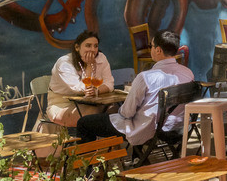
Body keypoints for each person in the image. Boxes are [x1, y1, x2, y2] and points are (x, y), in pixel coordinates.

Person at [76, 30, 193, 161]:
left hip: (149, 130)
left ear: (158, 50)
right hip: (177, 129)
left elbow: (127, 113)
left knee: (84, 123)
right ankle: (137, 159)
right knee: (141, 114)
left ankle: (87, 170)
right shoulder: (188, 74)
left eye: (151, 46)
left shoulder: (146, 77)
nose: (150, 49)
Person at [47, 31, 114, 128]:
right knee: (93, 115)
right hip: (63, 105)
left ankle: (113, 138)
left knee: (114, 109)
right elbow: (81, 89)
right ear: (77, 47)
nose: (93, 49)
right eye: (88, 45)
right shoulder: (64, 63)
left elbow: (109, 83)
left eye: (95, 46)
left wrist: (97, 91)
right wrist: (89, 66)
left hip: (92, 102)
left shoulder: (101, 58)